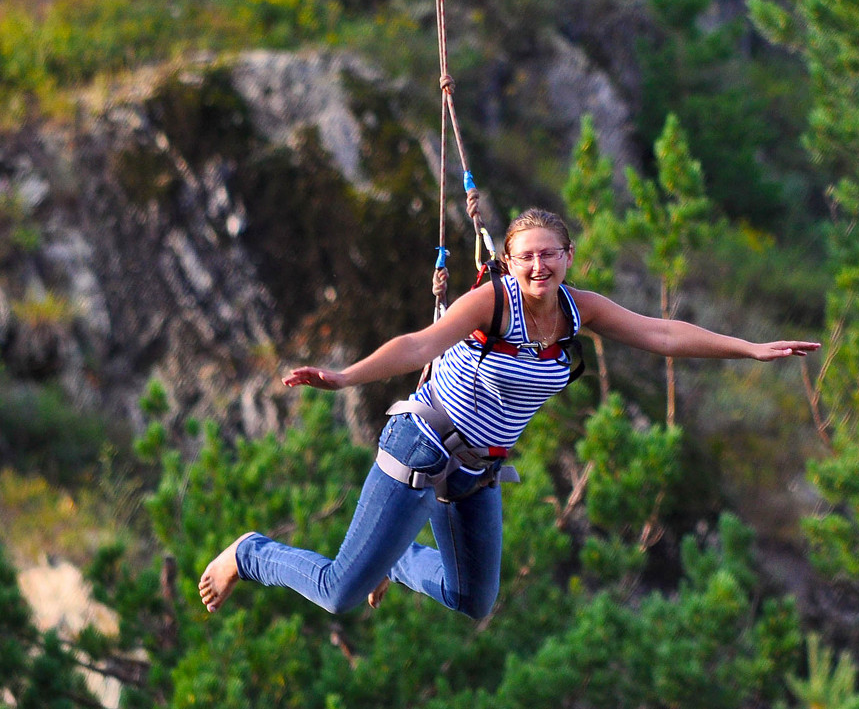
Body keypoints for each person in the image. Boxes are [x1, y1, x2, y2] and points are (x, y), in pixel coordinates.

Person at [199, 208, 820, 618]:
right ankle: (249, 553)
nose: (538, 267)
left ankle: (391, 559)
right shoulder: (490, 303)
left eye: (550, 256)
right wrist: (345, 376)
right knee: (339, 593)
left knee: (473, 599)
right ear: (509, 262)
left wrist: (748, 348)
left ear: (569, 258)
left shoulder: (580, 310)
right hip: (420, 446)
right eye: (526, 257)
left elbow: (661, 333)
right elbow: (419, 344)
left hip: (478, 473)